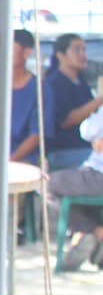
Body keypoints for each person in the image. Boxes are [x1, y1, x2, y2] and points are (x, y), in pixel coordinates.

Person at [0, 29, 41, 162]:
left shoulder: (40, 88)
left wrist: (9, 162)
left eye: (10, 48)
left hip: (25, 159)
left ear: (27, 53)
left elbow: (37, 134)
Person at [50, 107, 103, 270]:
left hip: (98, 176)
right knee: (77, 192)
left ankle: (92, 231)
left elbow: (88, 130)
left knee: (46, 183)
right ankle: (90, 234)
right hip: (92, 175)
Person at [43, 34, 100, 170]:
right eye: (76, 49)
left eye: (84, 50)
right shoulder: (54, 83)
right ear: (61, 55)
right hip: (63, 152)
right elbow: (67, 121)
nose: (82, 54)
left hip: (86, 148)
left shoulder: (81, 83)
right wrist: (100, 100)